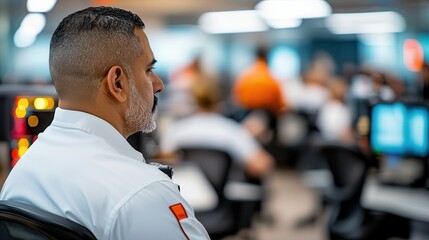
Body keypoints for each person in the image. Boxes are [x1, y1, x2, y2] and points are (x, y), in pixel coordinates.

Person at [0, 6, 209, 240]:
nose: (159, 84)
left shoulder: (21, 175)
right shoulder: (143, 194)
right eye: (149, 69)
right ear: (117, 84)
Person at [160, 77, 274, 179]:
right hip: (225, 199)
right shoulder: (233, 130)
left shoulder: (176, 130)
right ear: (218, 99)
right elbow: (261, 166)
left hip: (186, 197)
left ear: (192, 100)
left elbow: (164, 162)